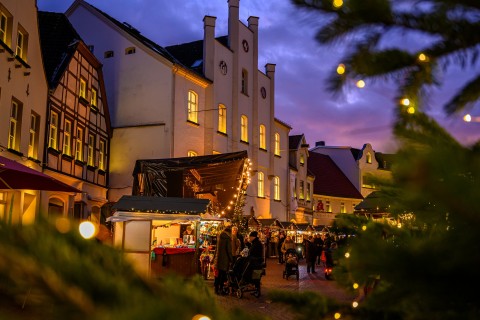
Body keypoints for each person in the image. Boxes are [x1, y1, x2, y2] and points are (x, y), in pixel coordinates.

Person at [213, 226, 233, 295]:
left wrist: (214, 258)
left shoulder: (219, 237)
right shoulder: (228, 238)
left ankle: (216, 289)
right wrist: (231, 259)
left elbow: (216, 249)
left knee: (217, 275)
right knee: (222, 275)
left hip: (218, 259)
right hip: (224, 260)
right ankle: (221, 289)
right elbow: (229, 251)